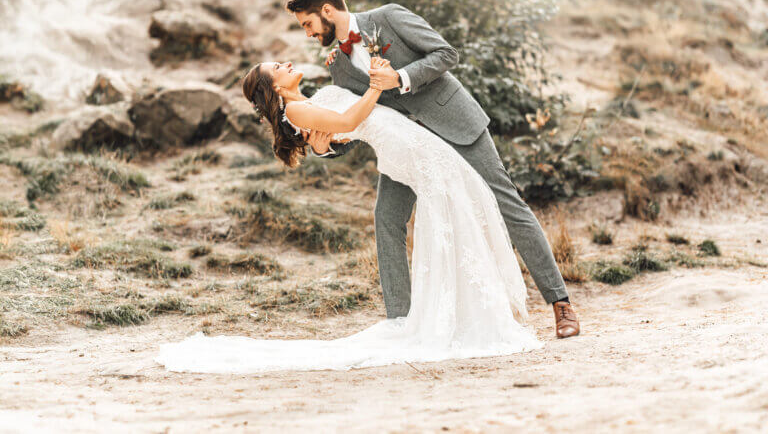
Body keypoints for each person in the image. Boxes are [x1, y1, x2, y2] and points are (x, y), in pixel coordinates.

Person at [155, 56, 543, 373]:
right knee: (451, 213)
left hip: (409, 145)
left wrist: (343, 66)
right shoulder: (298, 111)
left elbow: (339, 124)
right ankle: (462, 316)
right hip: (410, 150)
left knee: (460, 207)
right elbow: (347, 122)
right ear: (275, 87)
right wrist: (376, 86)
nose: (287, 63)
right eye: (279, 67)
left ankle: (466, 311)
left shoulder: (307, 101)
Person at [286, 0, 579, 339]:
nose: (309, 34)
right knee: (386, 218)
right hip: (409, 149)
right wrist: (325, 148)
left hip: (454, 122)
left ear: (327, 10)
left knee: (507, 203)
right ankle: (400, 323)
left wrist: (401, 78)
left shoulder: (389, 17)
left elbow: (445, 54)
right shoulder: (338, 66)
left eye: (309, 24)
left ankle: (560, 303)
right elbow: (357, 119)